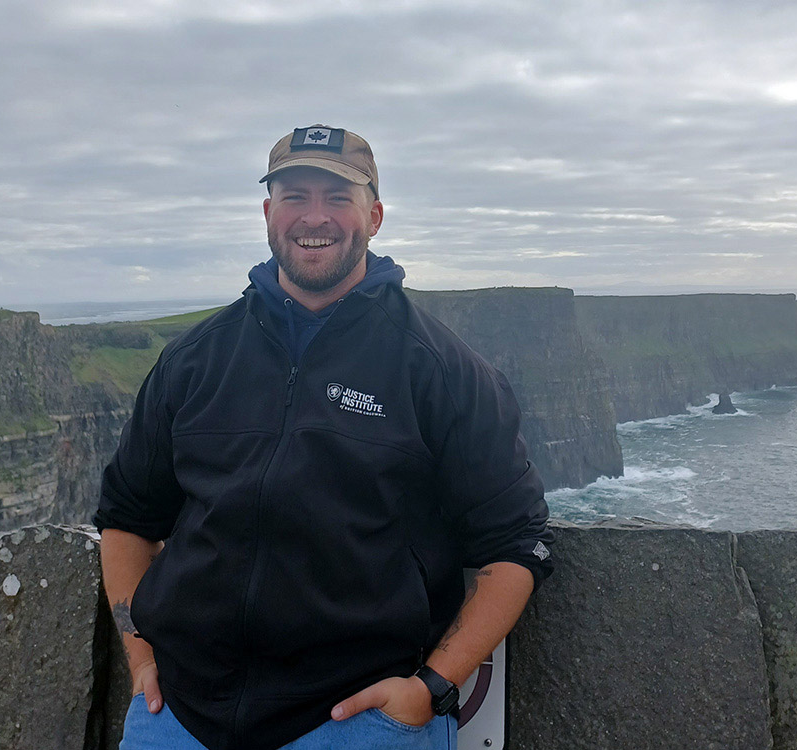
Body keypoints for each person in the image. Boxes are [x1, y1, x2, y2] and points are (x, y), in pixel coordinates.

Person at [94, 125, 554, 750]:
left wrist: (431, 689)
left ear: (375, 214)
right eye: (294, 196)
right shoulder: (195, 359)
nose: (315, 216)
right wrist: (140, 652)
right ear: (267, 213)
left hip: (356, 724)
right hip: (177, 716)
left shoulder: (440, 368)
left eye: (339, 197)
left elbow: (516, 543)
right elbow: (127, 515)